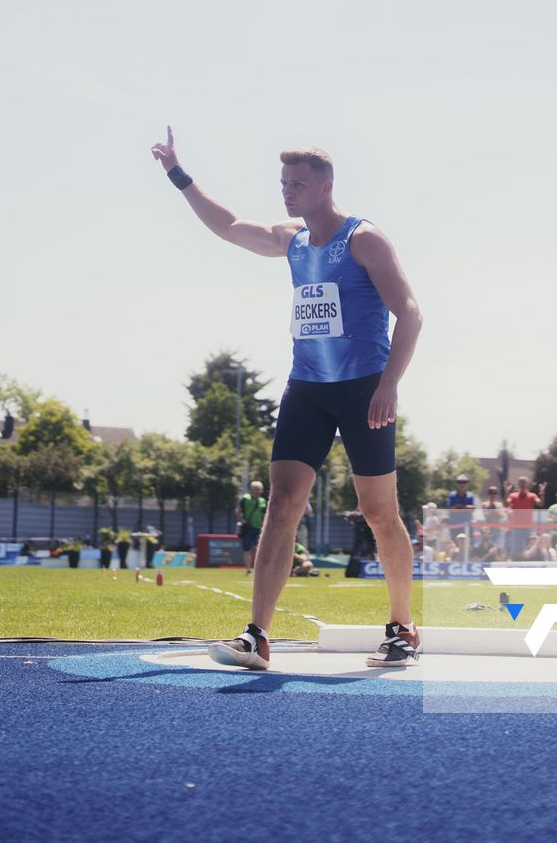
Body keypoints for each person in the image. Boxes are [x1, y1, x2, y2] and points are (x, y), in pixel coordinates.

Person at [153, 132, 423, 669]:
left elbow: (410, 313)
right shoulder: (292, 240)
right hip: (306, 389)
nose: (287, 193)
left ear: (326, 186)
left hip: (363, 389)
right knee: (282, 505)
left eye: (297, 184)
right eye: (283, 184)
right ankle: (256, 635)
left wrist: (389, 383)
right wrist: (179, 176)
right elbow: (229, 227)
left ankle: (402, 626)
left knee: (378, 512)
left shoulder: (364, 240)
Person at [237, 479, 268, 574]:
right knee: (247, 548)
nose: (258, 491)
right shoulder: (245, 498)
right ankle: (248, 569)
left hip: (258, 528)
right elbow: (238, 510)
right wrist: (241, 520)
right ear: (251, 489)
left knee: (257, 548)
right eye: (256, 489)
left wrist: (264, 525)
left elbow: (264, 514)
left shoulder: (262, 501)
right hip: (247, 527)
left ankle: (257, 569)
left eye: (260, 489)